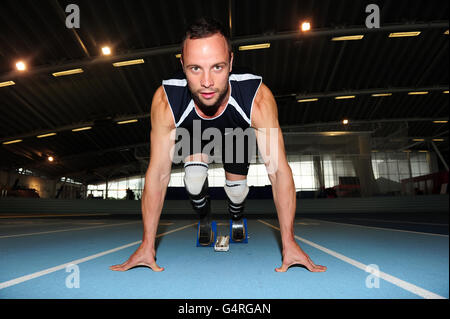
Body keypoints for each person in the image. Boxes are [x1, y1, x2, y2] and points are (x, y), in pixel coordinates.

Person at [110, 17, 326, 273]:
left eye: (217, 67)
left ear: (231, 62)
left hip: (237, 135)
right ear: (182, 65)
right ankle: (205, 217)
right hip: (196, 133)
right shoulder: (166, 101)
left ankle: (236, 216)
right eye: (195, 69)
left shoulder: (257, 98)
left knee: (236, 190)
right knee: (192, 179)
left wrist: (289, 242)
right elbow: (157, 174)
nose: (207, 82)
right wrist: (147, 244)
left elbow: (278, 171)